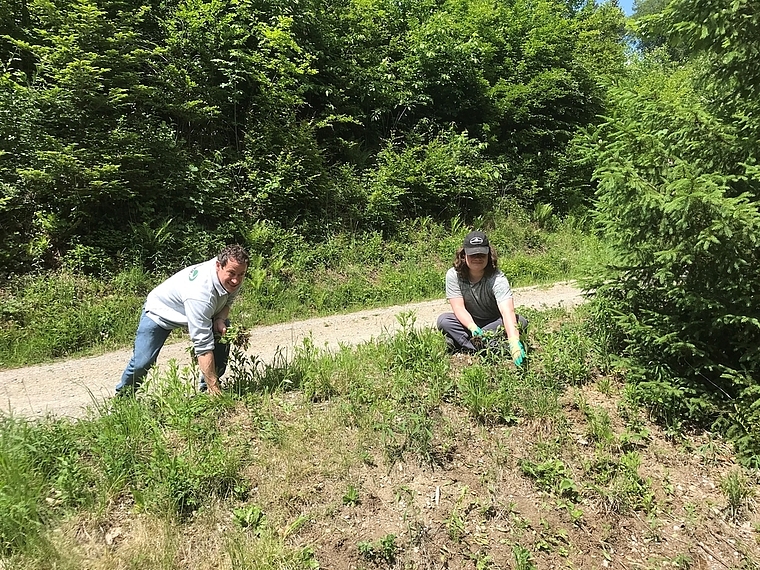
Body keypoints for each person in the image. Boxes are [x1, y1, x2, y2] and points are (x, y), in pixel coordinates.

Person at [116, 244, 250, 396]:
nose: (236, 280)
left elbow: (227, 302)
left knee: (222, 337)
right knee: (142, 362)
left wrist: (220, 318)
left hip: (199, 310)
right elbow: (203, 347)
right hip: (159, 312)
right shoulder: (200, 293)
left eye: (241, 275)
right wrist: (217, 393)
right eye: (232, 273)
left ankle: (207, 391)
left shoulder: (233, 272)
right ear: (218, 265)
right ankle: (123, 397)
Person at [437, 230, 527, 365]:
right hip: (469, 322)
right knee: (444, 320)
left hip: (495, 322)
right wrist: (472, 326)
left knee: (520, 321)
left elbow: (507, 311)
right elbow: (458, 307)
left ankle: (464, 345)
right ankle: (491, 347)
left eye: (481, 253)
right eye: (473, 254)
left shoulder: (497, 279)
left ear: (489, 255)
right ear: (464, 255)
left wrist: (514, 341)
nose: (477, 257)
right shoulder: (453, 275)